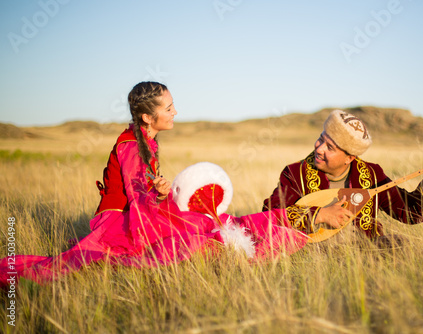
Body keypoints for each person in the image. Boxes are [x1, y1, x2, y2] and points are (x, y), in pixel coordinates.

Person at [0, 82, 306, 287]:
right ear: (147, 116)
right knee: (195, 229)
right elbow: (137, 199)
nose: (176, 113)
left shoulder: (148, 139)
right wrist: (161, 198)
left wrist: (160, 193)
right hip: (120, 219)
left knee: (200, 220)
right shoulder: (132, 145)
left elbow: (144, 192)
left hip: (141, 208)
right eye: (169, 108)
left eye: (174, 106)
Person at [262, 109, 423, 244]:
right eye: (321, 138)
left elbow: (410, 214)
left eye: (329, 147)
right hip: (313, 250)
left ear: (349, 158)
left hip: (363, 251)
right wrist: (319, 215)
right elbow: (269, 217)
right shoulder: (295, 173)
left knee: (398, 244)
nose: (318, 148)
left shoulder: (372, 175)